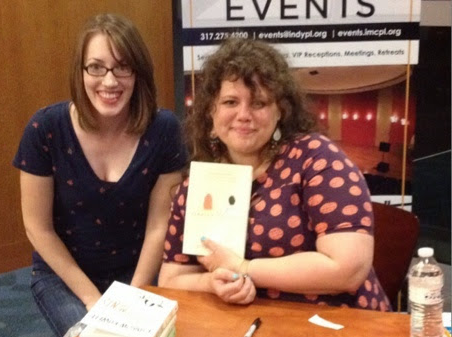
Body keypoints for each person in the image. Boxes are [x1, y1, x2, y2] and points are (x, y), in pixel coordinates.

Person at [159, 37, 390, 312]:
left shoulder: (316, 159)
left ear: (280, 111)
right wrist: (213, 282)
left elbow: (348, 269)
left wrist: (244, 267)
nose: (243, 115)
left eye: (258, 103)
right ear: (212, 111)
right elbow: (171, 279)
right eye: (230, 102)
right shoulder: (198, 183)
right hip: (246, 326)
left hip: (339, 323)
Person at [13, 13, 186, 337]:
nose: (109, 81)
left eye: (122, 67)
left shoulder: (164, 129)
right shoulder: (44, 129)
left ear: (138, 73)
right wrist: (94, 300)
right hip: (65, 275)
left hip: (141, 270)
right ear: (80, 72)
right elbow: (38, 229)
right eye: (96, 67)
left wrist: (132, 299)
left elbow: (158, 227)